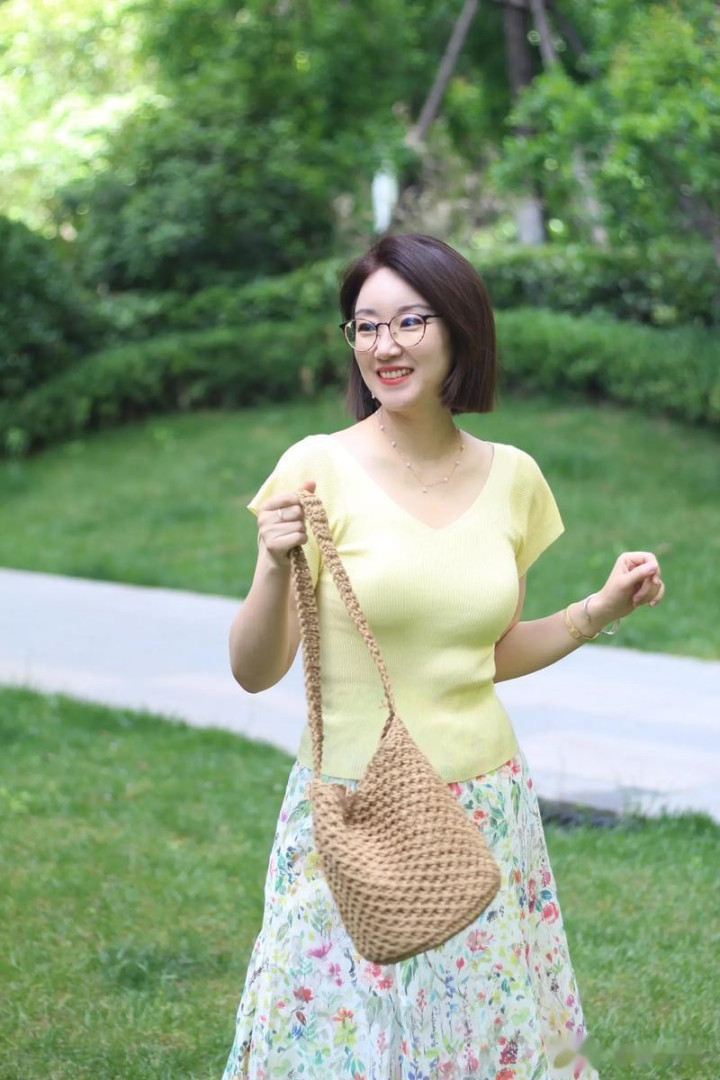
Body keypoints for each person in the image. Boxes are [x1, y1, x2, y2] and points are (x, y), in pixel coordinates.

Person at [222, 233, 665, 1080]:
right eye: (365, 326)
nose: (384, 346)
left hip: (486, 803)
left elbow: (488, 654)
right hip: (354, 810)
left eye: (409, 321)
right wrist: (274, 569)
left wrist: (597, 610)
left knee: (485, 1042)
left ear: (459, 327)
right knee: (342, 1047)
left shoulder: (515, 478)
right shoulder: (315, 469)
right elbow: (253, 670)